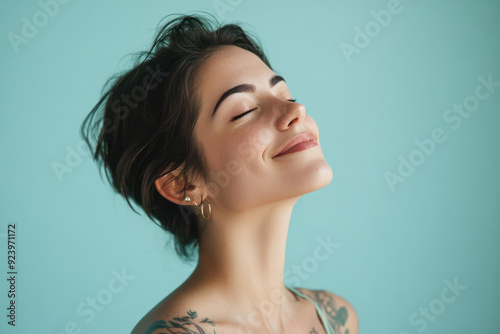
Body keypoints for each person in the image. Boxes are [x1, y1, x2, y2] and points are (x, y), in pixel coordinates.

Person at [80, 12, 358, 334]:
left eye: (286, 95)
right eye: (244, 110)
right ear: (183, 183)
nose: (296, 110)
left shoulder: (336, 318)